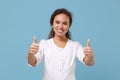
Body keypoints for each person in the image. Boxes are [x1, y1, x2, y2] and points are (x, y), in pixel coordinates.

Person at [27, 8, 94, 80]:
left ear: (69, 26)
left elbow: (88, 62)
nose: (61, 26)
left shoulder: (75, 46)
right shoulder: (44, 44)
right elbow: (32, 62)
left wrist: (90, 56)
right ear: (52, 24)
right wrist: (30, 54)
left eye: (65, 23)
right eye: (57, 22)